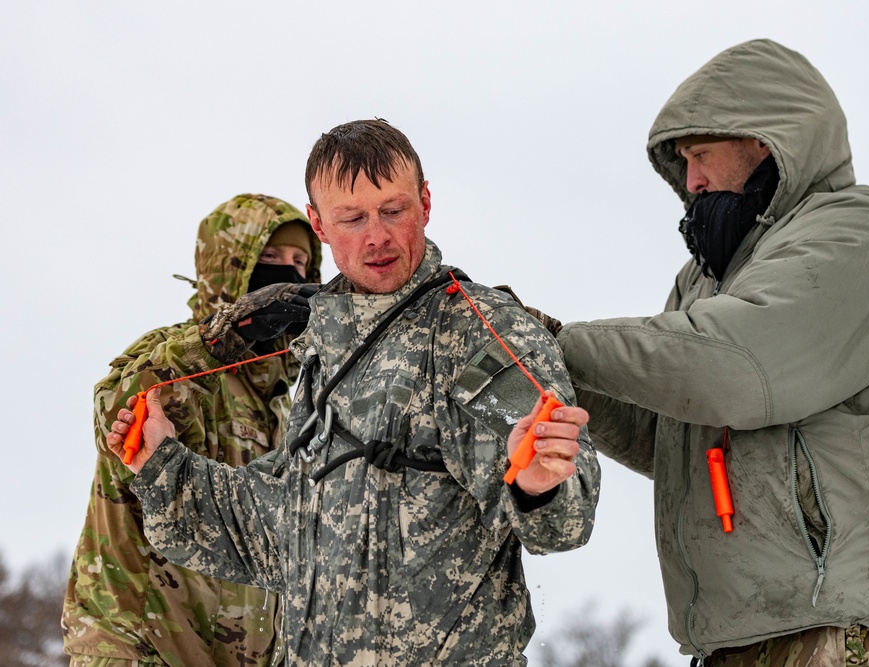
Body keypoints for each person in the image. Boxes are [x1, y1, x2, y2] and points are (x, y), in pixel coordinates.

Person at [104, 119, 600, 666]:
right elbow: (279, 534)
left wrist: (538, 485)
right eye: (352, 217)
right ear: (318, 223)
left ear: (426, 202)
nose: (377, 237)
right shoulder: (323, 347)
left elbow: (563, 522)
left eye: (393, 210)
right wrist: (162, 465)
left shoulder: (473, 333)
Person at [549, 39, 869, 665]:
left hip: (842, 632)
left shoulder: (858, 233)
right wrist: (539, 358)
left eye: (702, 155)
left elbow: (737, 371)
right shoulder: (708, 282)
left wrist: (564, 345)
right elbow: (668, 428)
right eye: (684, 163)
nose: (690, 181)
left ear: (764, 141)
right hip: (736, 638)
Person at [63, 194, 323, 666]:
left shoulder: (289, 404)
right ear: (230, 266)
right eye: (269, 259)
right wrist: (226, 335)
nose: (288, 274)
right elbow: (124, 415)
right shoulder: (175, 355)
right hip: (140, 648)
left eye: (300, 262)